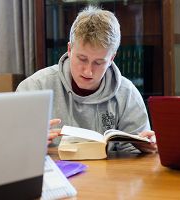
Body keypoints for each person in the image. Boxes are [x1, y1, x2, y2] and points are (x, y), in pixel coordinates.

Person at [17, 6, 156, 153]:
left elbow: (136, 159)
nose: (88, 71)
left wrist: (146, 149)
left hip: (108, 175)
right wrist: (27, 143)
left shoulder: (127, 93)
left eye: (99, 62)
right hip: (56, 173)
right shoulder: (35, 87)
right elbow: (10, 147)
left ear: (111, 59)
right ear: (69, 50)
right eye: (82, 59)